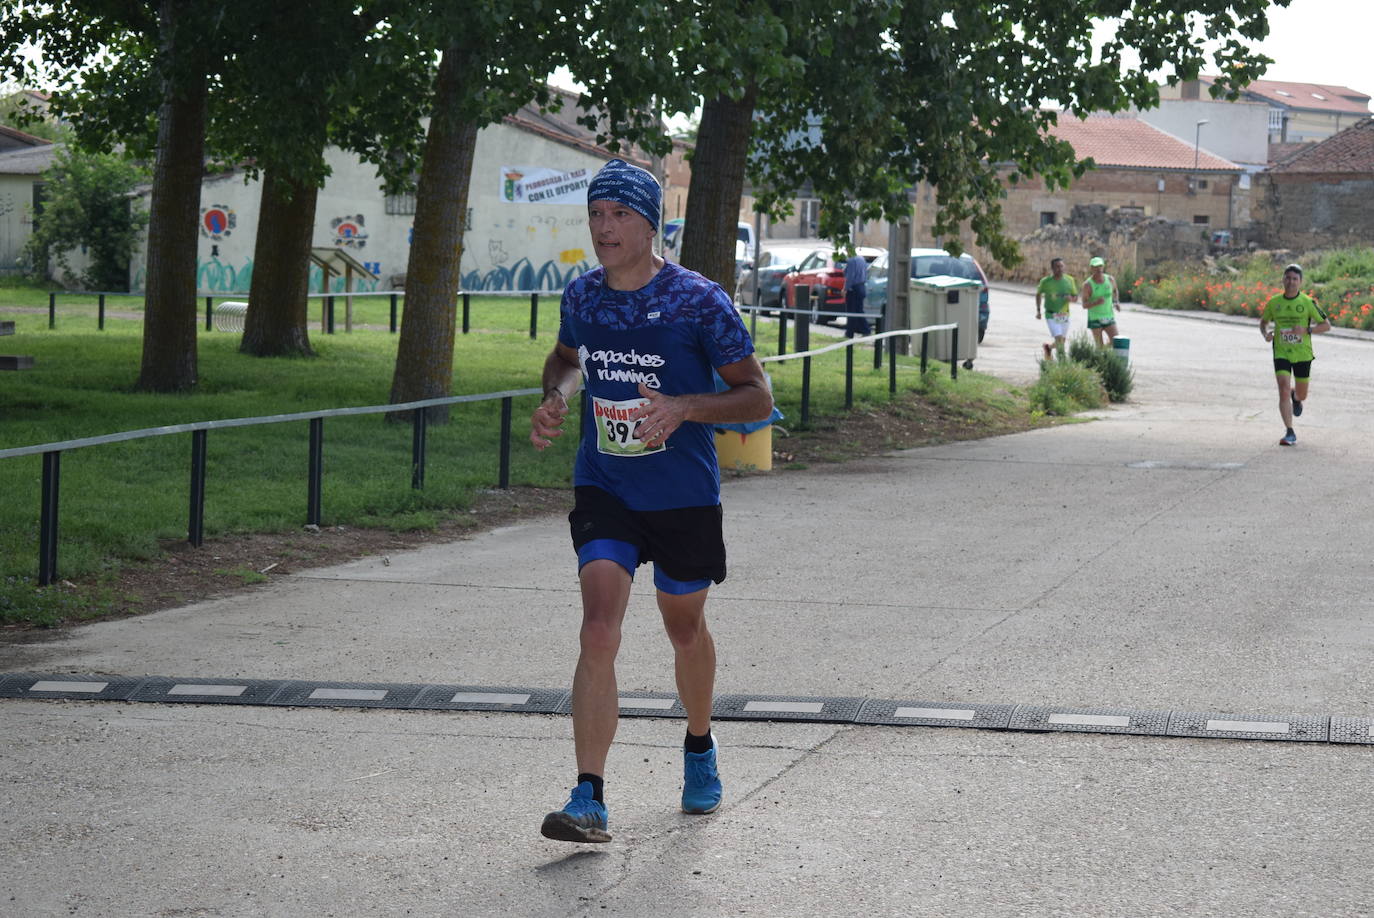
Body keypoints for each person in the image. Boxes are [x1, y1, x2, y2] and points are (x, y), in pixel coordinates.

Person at [529, 159, 774, 844]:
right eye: (596, 215)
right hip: (606, 483)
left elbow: (758, 395)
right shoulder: (583, 296)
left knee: (684, 627)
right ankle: (589, 797)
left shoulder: (699, 301)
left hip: (682, 495)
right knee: (598, 626)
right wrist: (555, 399)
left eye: (618, 216)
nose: (603, 229)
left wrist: (686, 407)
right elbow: (568, 358)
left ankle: (699, 743)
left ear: (649, 223)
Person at [1260, 263, 1330, 447]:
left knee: (1301, 394)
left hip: (1303, 354)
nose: (1291, 282)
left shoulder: (1307, 302)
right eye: (1288, 278)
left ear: (1300, 282)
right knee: (1282, 389)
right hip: (1281, 351)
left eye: (1295, 279)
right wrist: (1266, 333)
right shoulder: (1274, 302)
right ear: (1283, 279)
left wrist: (1307, 329)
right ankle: (1289, 431)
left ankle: (1296, 397)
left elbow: (1326, 325)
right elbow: (1263, 322)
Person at [1035, 257, 1077, 360]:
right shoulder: (1045, 281)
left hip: (1064, 314)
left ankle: (1048, 347)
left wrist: (1070, 298)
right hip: (1051, 315)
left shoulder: (1069, 280)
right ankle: (1063, 363)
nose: (1060, 269)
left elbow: (1075, 297)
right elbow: (1038, 294)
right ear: (1052, 268)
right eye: (1057, 267)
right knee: (1059, 340)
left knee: (1061, 340)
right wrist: (1038, 310)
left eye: (1062, 266)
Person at [1080, 256, 1120, 348]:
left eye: (1100, 266)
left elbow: (1115, 291)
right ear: (1091, 268)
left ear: (1103, 267)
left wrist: (1116, 302)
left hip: (1108, 316)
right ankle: (1101, 355)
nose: (1099, 269)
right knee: (1099, 346)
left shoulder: (1110, 279)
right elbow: (1084, 305)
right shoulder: (1087, 285)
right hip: (1095, 319)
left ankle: (1104, 352)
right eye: (1096, 266)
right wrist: (1095, 303)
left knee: (1116, 341)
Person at [842, 248, 870, 338]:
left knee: (851, 311)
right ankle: (865, 330)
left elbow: (850, 277)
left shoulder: (851, 261)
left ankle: (849, 333)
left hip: (853, 288)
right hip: (862, 286)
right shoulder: (862, 259)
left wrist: (845, 289)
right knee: (859, 310)